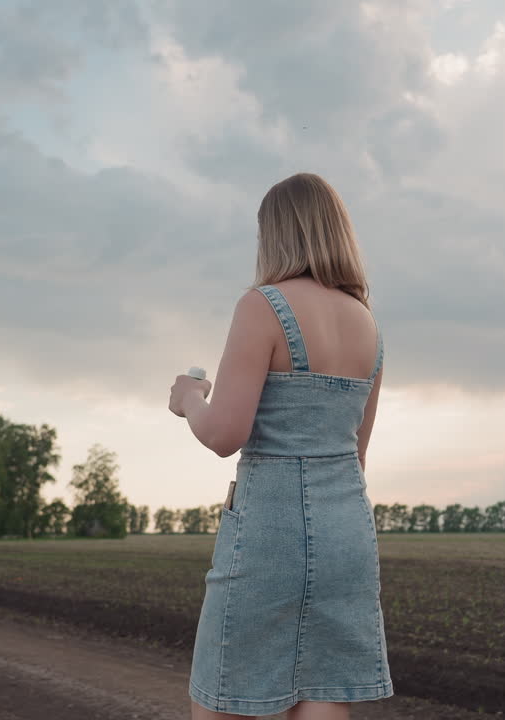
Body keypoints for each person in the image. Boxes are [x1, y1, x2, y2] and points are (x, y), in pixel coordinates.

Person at [168, 172, 393, 719]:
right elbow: (355, 456)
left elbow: (225, 434)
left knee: (222, 700)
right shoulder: (367, 324)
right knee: (321, 691)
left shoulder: (262, 305)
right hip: (346, 529)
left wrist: (189, 400)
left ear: (275, 234)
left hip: (270, 528)